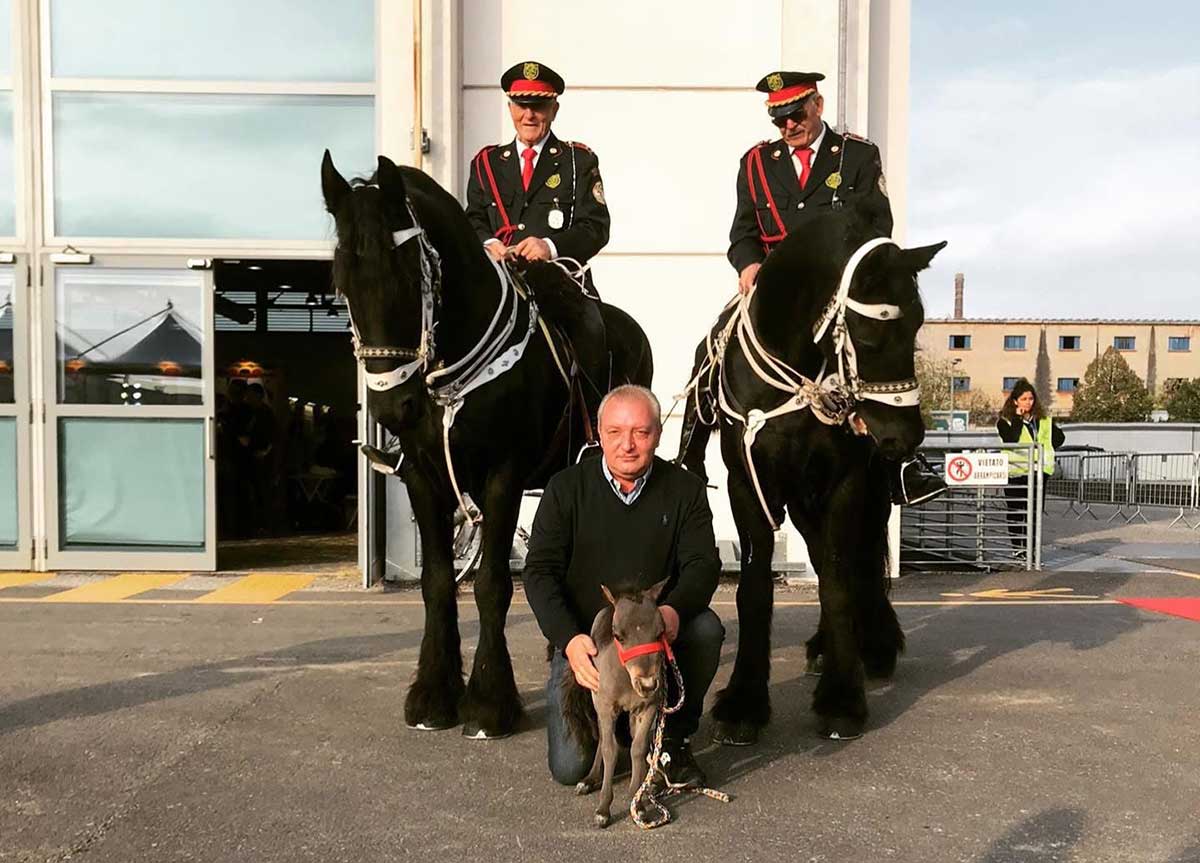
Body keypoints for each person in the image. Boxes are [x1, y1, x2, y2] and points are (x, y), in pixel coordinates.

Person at [681, 70, 944, 507]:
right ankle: (689, 455)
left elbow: (878, 227)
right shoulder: (756, 163)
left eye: (796, 114)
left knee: (882, 356)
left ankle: (903, 465)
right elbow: (743, 232)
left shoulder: (856, 156)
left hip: (835, 298)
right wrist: (748, 264)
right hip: (774, 298)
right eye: (779, 119)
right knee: (710, 348)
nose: (789, 126)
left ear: (817, 105)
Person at [523, 385, 724, 790]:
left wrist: (674, 612)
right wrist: (569, 640)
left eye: (641, 432)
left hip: (654, 640)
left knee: (705, 628)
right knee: (571, 769)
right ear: (598, 434)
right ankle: (618, 736)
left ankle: (673, 739)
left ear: (657, 435)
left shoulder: (685, 490)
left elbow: (703, 565)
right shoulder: (565, 490)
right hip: (590, 644)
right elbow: (539, 572)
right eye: (615, 432)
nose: (627, 445)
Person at [465, 60, 610, 296]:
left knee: (594, 330)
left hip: (561, 289)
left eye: (539, 106)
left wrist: (550, 247)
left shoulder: (578, 161)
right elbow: (474, 219)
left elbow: (596, 227)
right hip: (499, 289)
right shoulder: (486, 163)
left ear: (554, 109)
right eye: (521, 105)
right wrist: (489, 244)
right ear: (510, 108)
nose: (529, 116)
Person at [996, 379, 1065, 553]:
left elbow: (1059, 438)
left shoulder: (1043, 421)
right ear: (1015, 401)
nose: (1029, 402)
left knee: (1034, 513)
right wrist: (1019, 419)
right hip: (1016, 473)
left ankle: (1031, 549)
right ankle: (1018, 548)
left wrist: (1046, 449)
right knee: (1016, 512)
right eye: (1024, 399)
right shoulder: (1005, 421)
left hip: (1038, 472)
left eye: (1031, 399)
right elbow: (1011, 439)